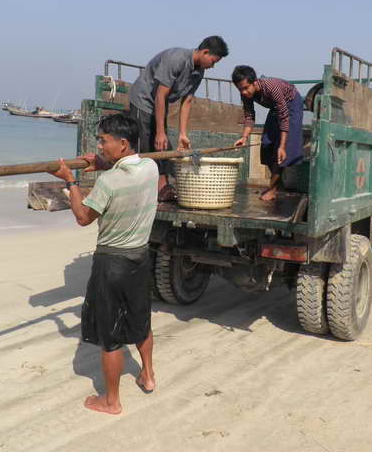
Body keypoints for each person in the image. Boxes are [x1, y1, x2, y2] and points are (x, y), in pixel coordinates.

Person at [48, 113, 159, 415]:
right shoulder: (150, 167)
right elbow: (125, 170)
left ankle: (111, 401)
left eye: (103, 141)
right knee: (141, 320)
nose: (100, 145)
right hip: (139, 256)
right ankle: (147, 376)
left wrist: (71, 181)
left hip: (112, 262)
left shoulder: (109, 183)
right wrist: (100, 163)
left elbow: (83, 217)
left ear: (122, 144)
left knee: (110, 335)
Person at [127, 35, 229, 201]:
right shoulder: (176, 59)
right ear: (205, 52)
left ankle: (162, 187)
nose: (213, 66)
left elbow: (187, 102)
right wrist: (160, 131)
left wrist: (183, 134)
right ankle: (138, 192)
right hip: (143, 101)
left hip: (160, 105)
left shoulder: (199, 72)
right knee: (145, 147)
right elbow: (160, 95)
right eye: (214, 61)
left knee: (162, 147)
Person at [232, 65, 303, 201]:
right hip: (275, 108)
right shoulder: (245, 94)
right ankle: (277, 184)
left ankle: (273, 189)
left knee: (282, 149)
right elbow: (249, 115)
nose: (244, 92)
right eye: (240, 89)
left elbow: (284, 117)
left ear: (254, 82)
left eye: (246, 88)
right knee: (267, 145)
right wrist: (244, 137)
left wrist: (282, 146)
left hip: (291, 103)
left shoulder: (272, 87)